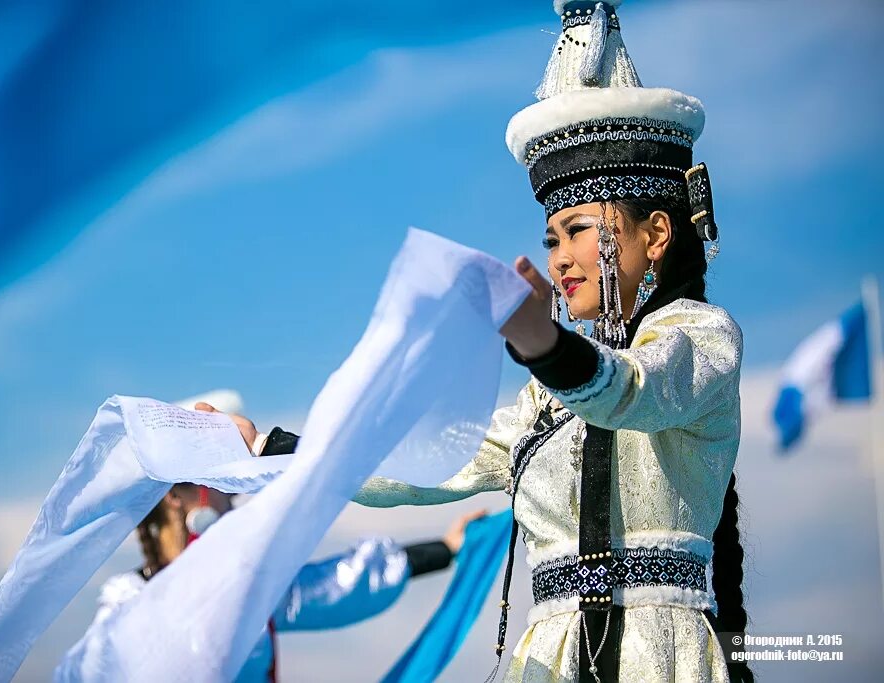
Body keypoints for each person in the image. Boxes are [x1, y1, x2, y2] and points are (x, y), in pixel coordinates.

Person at [241, 2, 753, 681]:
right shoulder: (542, 408)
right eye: (551, 238)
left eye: (578, 230)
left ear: (655, 233)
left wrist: (543, 345)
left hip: (660, 658)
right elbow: (423, 465)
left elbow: (633, 390)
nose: (560, 257)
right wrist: (271, 449)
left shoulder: (700, 339)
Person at [58, 463, 487, 682]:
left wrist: (446, 549)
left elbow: (344, 584)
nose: (233, 497)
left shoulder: (248, 589)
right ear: (176, 496)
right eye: (222, 484)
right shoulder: (127, 600)